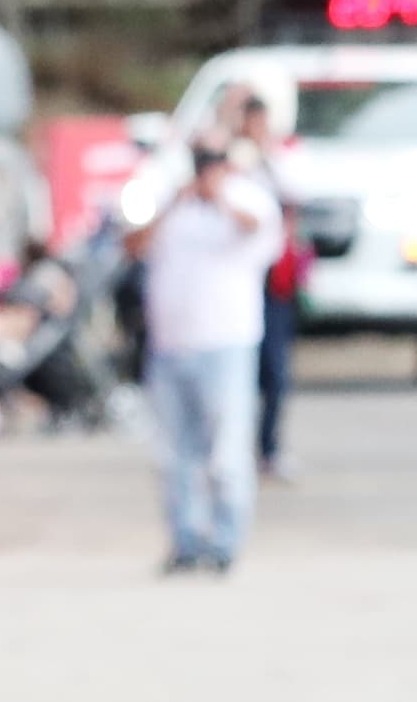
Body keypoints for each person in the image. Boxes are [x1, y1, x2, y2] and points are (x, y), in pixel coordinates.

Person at [124, 139, 282, 573]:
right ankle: (185, 540)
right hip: (171, 344)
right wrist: (174, 204)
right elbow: (133, 245)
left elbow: (259, 232)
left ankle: (226, 540)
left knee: (226, 451)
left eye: (214, 162)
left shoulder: (247, 197)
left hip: (226, 342)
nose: (206, 169)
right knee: (174, 453)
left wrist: (220, 200)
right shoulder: (170, 201)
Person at [222, 90, 307, 485]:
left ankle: (268, 447)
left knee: (275, 370)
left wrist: (265, 155)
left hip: (273, 280)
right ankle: (234, 447)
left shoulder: (277, 160)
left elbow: (297, 190)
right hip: (234, 280)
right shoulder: (226, 161)